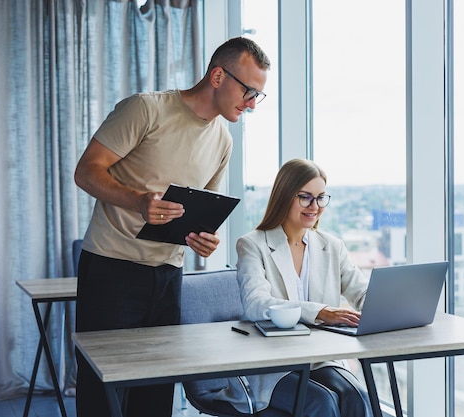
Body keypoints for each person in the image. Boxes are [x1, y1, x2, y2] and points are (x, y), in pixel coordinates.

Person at [73, 37, 270, 417]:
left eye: (258, 96)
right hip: (111, 267)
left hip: (168, 275)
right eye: (248, 91)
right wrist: (137, 201)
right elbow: (86, 171)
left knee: (156, 392)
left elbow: (202, 209)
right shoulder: (145, 110)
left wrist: (203, 238)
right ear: (217, 76)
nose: (251, 104)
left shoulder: (222, 139)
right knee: (103, 392)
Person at [232, 158, 372, 417]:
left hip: (320, 359)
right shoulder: (252, 245)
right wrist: (321, 312)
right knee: (321, 402)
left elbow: (361, 293)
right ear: (285, 197)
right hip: (273, 364)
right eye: (305, 197)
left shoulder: (332, 246)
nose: (314, 207)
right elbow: (256, 304)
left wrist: (389, 307)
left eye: (320, 198)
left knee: (357, 396)